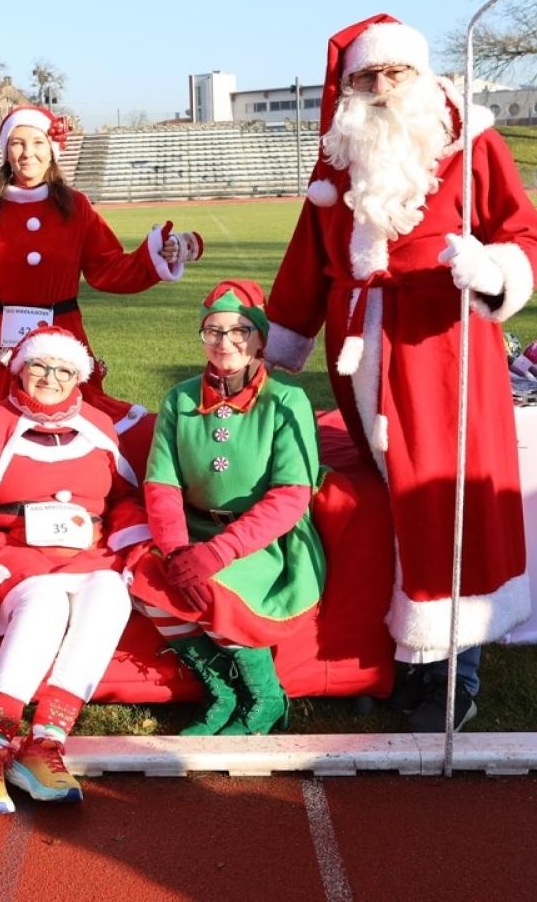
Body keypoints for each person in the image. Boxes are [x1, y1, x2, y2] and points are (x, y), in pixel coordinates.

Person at [263, 14, 537, 732]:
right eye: (369, 77)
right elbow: (307, 256)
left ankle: (455, 675)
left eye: (397, 73)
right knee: (394, 506)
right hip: (360, 353)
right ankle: (404, 658)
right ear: (350, 87)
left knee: (445, 502)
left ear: (421, 76)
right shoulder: (339, 155)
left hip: (442, 348)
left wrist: (492, 270)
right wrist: (279, 346)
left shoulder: (472, 142)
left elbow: (524, 234)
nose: (385, 88)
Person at [0, 325, 149, 813]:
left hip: (87, 552)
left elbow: (124, 498)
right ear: (20, 370)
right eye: (39, 366)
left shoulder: (97, 426)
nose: (50, 378)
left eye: (64, 370)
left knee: (111, 593)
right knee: (44, 602)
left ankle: (46, 741)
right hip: (12, 551)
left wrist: (134, 541)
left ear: (79, 378)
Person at [0, 104, 203, 435]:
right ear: (6, 152)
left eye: (37, 142)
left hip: (60, 332)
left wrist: (153, 257)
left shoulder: (76, 206)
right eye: (17, 143)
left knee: (74, 424)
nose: (27, 153)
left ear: (52, 150)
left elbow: (107, 268)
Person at [127, 280, 326, 736]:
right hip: (192, 533)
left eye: (239, 331)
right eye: (213, 331)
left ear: (259, 338)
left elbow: (290, 496)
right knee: (144, 581)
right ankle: (222, 690)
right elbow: (162, 483)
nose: (225, 342)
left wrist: (218, 553)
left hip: (264, 543)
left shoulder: (287, 401)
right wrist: (177, 550)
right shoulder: (180, 399)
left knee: (216, 587)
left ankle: (266, 697)